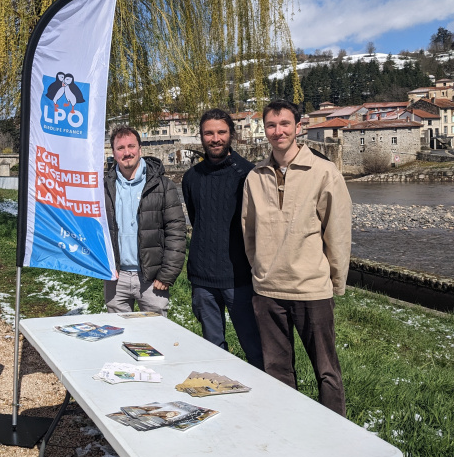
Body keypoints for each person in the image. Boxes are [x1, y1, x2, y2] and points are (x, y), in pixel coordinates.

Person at [241, 99, 352, 416]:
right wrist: (260, 269)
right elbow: (249, 232)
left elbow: (338, 232)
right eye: (272, 125)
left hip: (311, 289)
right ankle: (289, 429)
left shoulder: (323, 172)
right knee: (277, 370)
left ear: (298, 128)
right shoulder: (255, 177)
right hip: (268, 291)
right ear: (265, 130)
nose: (278, 131)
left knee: (326, 370)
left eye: (285, 124)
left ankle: (334, 432)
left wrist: (335, 283)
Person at [181, 109, 263, 369]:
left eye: (221, 132)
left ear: (232, 135)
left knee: (256, 349)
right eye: (209, 133)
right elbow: (199, 221)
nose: (215, 138)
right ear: (201, 137)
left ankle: (265, 402)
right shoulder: (191, 178)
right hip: (203, 279)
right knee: (213, 353)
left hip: (240, 279)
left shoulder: (249, 175)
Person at [103, 127, 186, 316]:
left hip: (152, 278)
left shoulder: (163, 185)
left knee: (156, 338)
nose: (127, 153)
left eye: (131, 146)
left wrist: (167, 274)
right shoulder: (103, 187)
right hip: (116, 277)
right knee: (119, 338)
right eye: (120, 148)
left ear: (140, 148)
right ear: (113, 152)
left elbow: (176, 232)